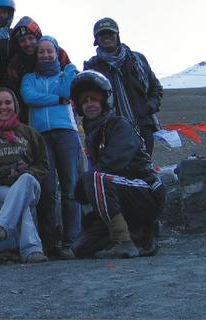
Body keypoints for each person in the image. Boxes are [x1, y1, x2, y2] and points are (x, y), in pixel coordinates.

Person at [69, 70, 166, 259]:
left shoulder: (118, 124)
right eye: (85, 101)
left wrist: (83, 184)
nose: (89, 105)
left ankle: (125, 240)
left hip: (145, 189)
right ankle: (139, 235)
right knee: (81, 248)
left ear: (104, 101)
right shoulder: (92, 135)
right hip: (120, 193)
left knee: (94, 178)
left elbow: (113, 163)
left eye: (94, 99)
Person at [20, 36, 81, 260]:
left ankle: (72, 241)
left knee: (70, 187)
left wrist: (71, 69)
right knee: (46, 189)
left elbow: (68, 93)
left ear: (57, 53)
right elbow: (29, 97)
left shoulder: (67, 74)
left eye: (49, 51)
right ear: (36, 55)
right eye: (41, 52)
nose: (45, 55)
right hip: (40, 136)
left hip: (66, 132)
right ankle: (50, 243)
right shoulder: (28, 78)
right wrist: (57, 99)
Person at [0, 87, 50, 264]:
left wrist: (25, 171)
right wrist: (8, 172)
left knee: (24, 182)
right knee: (19, 200)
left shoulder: (30, 134)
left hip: (30, 185)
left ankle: (2, 225)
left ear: (15, 106)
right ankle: (32, 251)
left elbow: (43, 166)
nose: (4, 107)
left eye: (8, 102)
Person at [84, 17, 163, 156]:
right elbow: (86, 98)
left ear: (117, 35)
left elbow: (155, 88)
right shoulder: (92, 67)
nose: (106, 37)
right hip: (109, 130)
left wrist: (149, 107)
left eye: (110, 33)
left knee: (145, 170)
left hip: (142, 126)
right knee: (117, 172)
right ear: (96, 39)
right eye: (102, 34)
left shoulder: (138, 60)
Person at [4, 16, 71, 122]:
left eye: (30, 38)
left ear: (38, 37)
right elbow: (17, 96)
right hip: (32, 114)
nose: (27, 43)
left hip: (62, 112)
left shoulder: (57, 52)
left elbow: (70, 78)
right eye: (22, 40)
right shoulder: (15, 65)